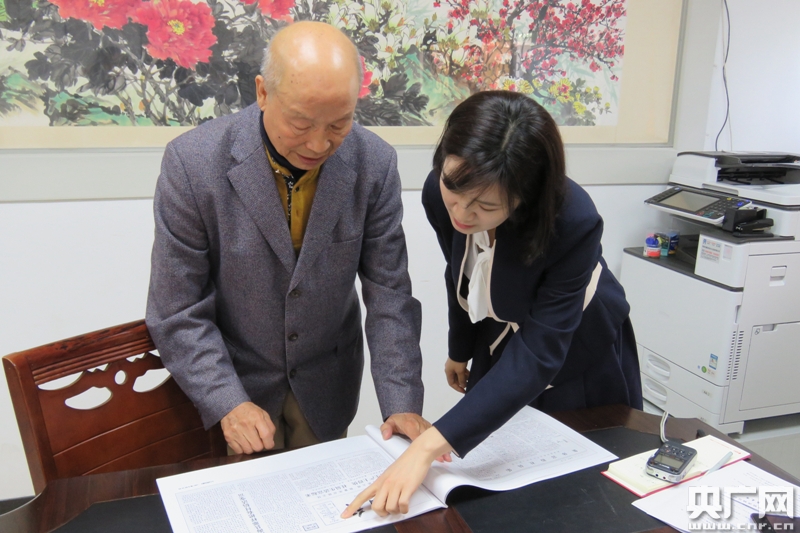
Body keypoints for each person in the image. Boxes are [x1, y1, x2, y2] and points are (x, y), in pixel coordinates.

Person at [343, 90, 643, 518]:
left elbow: (540, 352)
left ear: (525, 197)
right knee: (490, 480)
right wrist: (459, 348)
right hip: (499, 328)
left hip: (576, 345)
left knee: (573, 491)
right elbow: (461, 269)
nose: (462, 213)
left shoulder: (573, 220)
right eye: (454, 191)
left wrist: (426, 447)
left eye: (485, 206)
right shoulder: (440, 190)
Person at [146, 21, 427, 455]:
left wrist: (402, 403)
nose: (318, 144)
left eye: (339, 124)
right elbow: (177, 308)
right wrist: (226, 399)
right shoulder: (193, 164)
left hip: (327, 384)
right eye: (300, 123)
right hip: (234, 382)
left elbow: (389, 295)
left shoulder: (374, 163)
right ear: (262, 92)